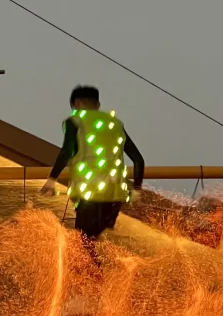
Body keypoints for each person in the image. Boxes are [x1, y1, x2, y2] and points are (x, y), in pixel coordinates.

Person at [41, 85, 145, 239]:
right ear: (97, 104)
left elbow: (66, 152)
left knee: (83, 242)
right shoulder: (115, 124)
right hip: (114, 196)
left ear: (76, 104)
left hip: (89, 193)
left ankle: (100, 263)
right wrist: (136, 189)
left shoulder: (75, 121)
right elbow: (138, 159)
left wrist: (51, 181)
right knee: (92, 241)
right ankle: (107, 263)